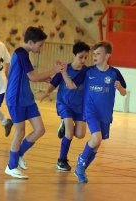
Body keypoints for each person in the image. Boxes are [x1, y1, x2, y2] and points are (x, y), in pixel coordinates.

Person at [61, 41, 127, 183]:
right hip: (90, 111)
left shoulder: (115, 73)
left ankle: (81, 169)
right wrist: (63, 73)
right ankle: (81, 160)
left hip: (105, 114)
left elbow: (124, 92)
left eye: (98, 54)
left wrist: (120, 88)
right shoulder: (87, 71)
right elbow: (72, 85)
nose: (94, 56)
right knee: (96, 139)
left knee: (97, 144)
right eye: (94, 54)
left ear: (107, 55)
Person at [4, 26, 66, 179]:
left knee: (40, 129)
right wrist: (54, 70)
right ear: (31, 42)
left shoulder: (24, 54)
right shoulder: (21, 54)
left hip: (27, 98)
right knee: (20, 133)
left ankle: (19, 154)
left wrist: (41, 77)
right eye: (40, 45)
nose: (41, 48)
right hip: (16, 99)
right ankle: (11, 167)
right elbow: (32, 76)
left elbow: (27, 76)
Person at [40, 42, 91, 171]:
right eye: (81, 57)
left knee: (80, 134)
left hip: (79, 107)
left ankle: (65, 124)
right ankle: (61, 160)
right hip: (65, 104)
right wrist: (47, 92)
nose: (83, 60)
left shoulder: (86, 71)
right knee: (70, 131)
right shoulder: (65, 68)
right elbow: (55, 82)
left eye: (86, 57)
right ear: (73, 55)